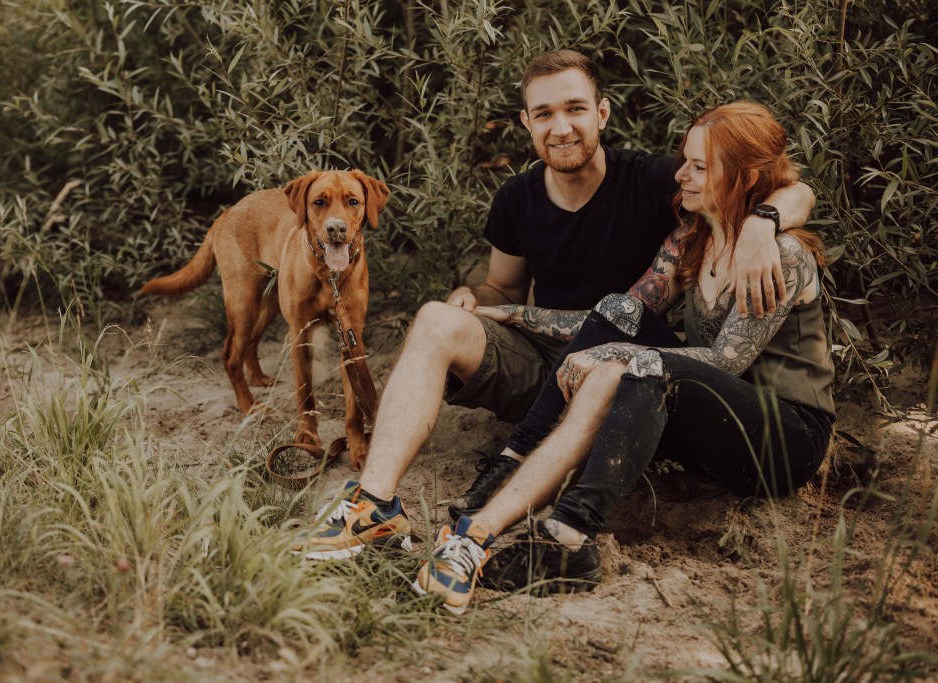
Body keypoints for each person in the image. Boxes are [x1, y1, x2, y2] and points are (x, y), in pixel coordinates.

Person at [292, 50, 814, 564]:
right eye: (544, 114)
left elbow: (786, 183)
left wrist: (762, 221)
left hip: (625, 381)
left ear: (602, 113)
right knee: (434, 318)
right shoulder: (517, 200)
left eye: (575, 109)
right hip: (551, 364)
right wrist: (477, 303)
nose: (561, 127)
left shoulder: (658, 181)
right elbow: (505, 290)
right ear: (527, 123)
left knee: (617, 346)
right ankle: (374, 504)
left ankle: (511, 505)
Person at [411, 101, 836, 613]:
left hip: (782, 440)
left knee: (643, 361)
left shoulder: (781, 256)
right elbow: (618, 316)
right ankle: (512, 461)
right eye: (685, 161)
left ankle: (571, 535)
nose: (682, 175)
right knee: (618, 310)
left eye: (700, 167)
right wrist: (512, 314)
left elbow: (726, 360)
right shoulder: (691, 237)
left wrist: (618, 352)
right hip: (712, 427)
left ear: (743, 177)